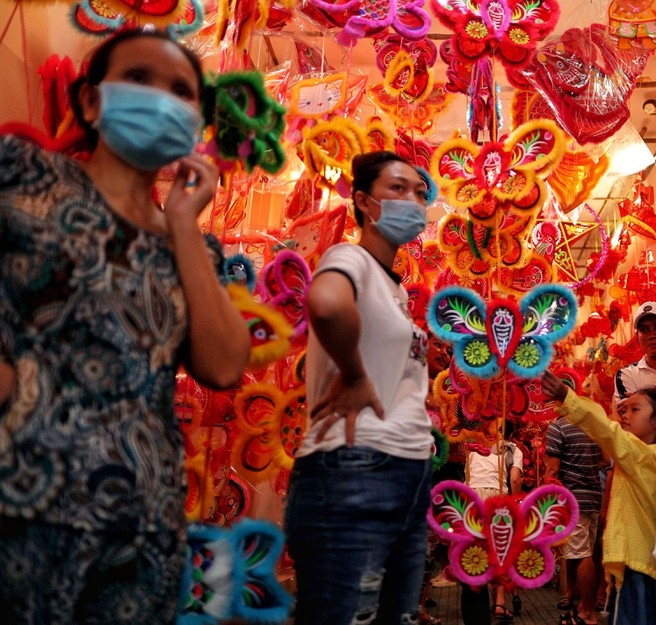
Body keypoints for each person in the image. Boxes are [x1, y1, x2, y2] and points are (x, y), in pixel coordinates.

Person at [0, 28, 251, 623]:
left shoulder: (194, 248)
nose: (161, 98)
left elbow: (222, 366)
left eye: (181, 92)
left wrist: (186, 225)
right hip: (22, 508)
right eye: (138, 79)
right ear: (91, 102)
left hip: (145, 524)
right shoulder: (28, 177)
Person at [283, 151, 433, 625]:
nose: (414, 200)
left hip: (406, 472)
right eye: (398, 189)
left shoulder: (394, 288)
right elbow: (325, 303)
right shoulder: (350, 257)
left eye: (419, 192)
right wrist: (353, 373)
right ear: (365, 203)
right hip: (354, 467)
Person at [542, 374, 656, 625]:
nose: (624, 414)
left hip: (637, 562)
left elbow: (607, 431)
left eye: (635, 409)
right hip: (644, 561)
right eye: (623, 409)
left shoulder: (644, 455)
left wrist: (568, 398)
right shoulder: (653, 455)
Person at [546, 399, 605, 625]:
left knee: (581, 554)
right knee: (586, 550)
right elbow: (605, 461)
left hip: (572, 499)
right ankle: (583, 605)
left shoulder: (558, 427)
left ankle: (587, 612)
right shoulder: (592, 426)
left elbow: (552, 469)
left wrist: (545, 499)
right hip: (593, 497)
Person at [464, 420, 524, 620]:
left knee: (477, 549)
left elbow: (467, 477)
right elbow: (515, 479)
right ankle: (499, 604)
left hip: (471, 497)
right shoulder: (513, 450)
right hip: (496, 496)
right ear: (512, 433)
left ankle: (476, 593)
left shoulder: (474, 447)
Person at [613, 301, 656, 404]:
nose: (652, 335)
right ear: (637, 337)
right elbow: (633, 416)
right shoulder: (627, 374)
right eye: (644, 330)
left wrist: (643, 401)